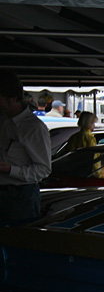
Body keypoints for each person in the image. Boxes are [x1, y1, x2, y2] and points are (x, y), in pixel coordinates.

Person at [0, 69, 51, 225]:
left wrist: (10, 169)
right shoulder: (3, 120)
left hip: (20, 195)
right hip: (7, 192)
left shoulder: (33, 128)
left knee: (16, 241)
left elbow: (43, 170)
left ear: (13, 98)